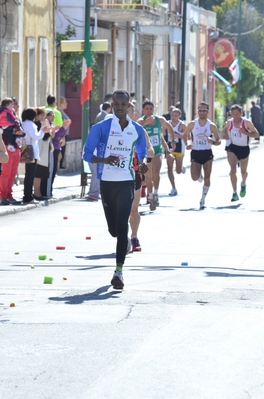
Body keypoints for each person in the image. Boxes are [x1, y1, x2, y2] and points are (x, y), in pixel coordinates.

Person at [83, 90, 147, 290]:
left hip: (127, 181)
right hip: (107, 182)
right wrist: (104, 160)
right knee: (113, 230)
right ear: (112, 105)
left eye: (123, 104)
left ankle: (118, 271)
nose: (120, 107)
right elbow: (86, 154)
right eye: (116, 104)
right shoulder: (101, 128)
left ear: (129, 106)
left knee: (122, 224)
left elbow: (142, 152)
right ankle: (124, 240)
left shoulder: (136, 129)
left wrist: (143, 164)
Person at [137, 100, 174, 211]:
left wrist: (173, 141)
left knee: (156, 172)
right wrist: (146, 123)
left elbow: (169, 126)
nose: (149, 111)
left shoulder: (159, 119)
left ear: (154, 110)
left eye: (151, 109)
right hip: (146, 153)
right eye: (147, 109)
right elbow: (135, 129)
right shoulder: (141, 121)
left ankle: (156, 194)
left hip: (157, 151)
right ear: (143, 110)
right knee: (148, 177)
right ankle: (150, 195)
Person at [127, 102, 154, 252]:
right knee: (119, 211)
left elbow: (150, 149)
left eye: (128, 110)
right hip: (116, 175)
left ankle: (134, 236)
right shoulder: (111, 129)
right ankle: (122, 237)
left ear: (133, 113)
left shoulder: (139, 130)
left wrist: (147, 156)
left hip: (134, 173)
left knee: (133, 210)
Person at [184, 101, 221, 209]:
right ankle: (199, 175)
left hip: (207, 153)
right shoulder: (192, 124)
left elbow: (219, 141)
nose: (202, 112)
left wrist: (212, 141)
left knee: (208, 178)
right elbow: (185, 135)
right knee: (194, 177)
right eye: (200, 110)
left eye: (204, 110)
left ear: (208, 112)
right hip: (195, 152)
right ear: (197, 112)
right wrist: (187, 144)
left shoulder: (212, 126)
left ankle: (202, 199)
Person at [223, 104, 259, 201]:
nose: (235, 116)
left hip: (244, 148)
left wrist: (245, 132)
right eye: (233, 114)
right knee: (233, 170)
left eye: (237, 114)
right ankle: (234, 192)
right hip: (233, 148)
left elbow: (256, 134)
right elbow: (224, 129)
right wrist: (226, 134)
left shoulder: (246, 123)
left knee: (243, 172)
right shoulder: (229, 122)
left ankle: (243, 184)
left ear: (241, 113)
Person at [21, 107, 49, 204]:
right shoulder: (30, 124)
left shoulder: (24, 123)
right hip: (31, 150)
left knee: (28, 174)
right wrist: (42, 131)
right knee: (30, 174)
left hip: (27, 149)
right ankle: (28, 196)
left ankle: (27, 194)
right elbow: (36, 136)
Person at [0, 98, 25, 205]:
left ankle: (9, 194)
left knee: (12, 173)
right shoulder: (3, 115)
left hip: (16, 146)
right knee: (6, 172)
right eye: (13, 104)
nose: (16, 106)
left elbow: (23, 132)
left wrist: (20, 132)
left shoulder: (16, 117)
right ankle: (2, 195)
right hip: (6, 146)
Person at [45, 110, 71, 197]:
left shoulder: (51, 125)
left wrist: (63, 129)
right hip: (52, 149)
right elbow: (54, 137)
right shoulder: (47, 125)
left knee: (54, 170)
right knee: (51, 171)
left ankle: (49, 190)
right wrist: (62, 128)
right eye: (51, 115)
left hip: (56, 148)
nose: (53, 117)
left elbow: (58, 136)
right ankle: (47, 191)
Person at [33, 108, 54, 200]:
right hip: (39, 152)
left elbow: (48, 136)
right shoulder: (36, 125)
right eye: (40, 115)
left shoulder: (43, 124)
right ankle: (36, 193)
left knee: (41, 174)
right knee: (37, 175)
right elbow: (43, 137)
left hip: (44, 152)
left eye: (43, 115)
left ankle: (39, 193)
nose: (42, 117)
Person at [165, 108, 187, 196]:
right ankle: (173, 188)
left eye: (176, 116)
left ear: (179, 116)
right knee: (169, 168)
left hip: (179, 147)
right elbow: (164, 134)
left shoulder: (182, 125)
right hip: (170, 147)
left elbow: (187, 136)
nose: (173, 117)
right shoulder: (167, 123)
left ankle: (181, 168)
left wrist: (178, 136)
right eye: (172, 115)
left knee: (178, 171)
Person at [58, 96, 71, 169]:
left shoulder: (62, 112)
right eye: (65, 102)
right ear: (61, 104)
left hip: (64, 134)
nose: (67, 103)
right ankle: (59, 164)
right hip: (62, 134)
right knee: (61, 150)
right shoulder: (60, 112)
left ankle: (60, 164)